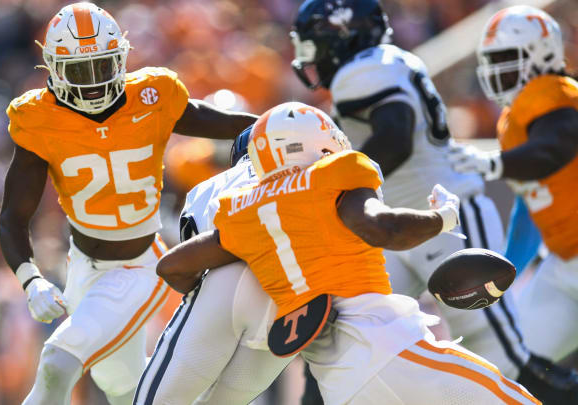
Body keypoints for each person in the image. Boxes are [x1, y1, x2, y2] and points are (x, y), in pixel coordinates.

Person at [156, 101, 539, 404]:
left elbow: (172, 267)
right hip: (392, 347)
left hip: (339, 385)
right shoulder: (335, 173)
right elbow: (383, 227)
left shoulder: (243, 211)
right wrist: (443, 217)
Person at [290, 0, 577, 402]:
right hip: (403, 224)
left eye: (313, 44)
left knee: (505, 363)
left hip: (442, 216)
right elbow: (530, 205)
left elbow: (396, 135)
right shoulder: (506, 116)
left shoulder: (555, 95)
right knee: (348, 338)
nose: (308, 57)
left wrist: (336, 190)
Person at [0, 3, 257, 405]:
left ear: (121, 58)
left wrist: (283, 123)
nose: (95, 85)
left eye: (103, 67)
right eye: (81, 72)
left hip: (140, 264)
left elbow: (219, 122)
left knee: (57, 362)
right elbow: (14, 216)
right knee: (125, 390)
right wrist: (31, 279)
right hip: (82, 266)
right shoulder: (39, 119)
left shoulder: (150, 96)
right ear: (53, 69)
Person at [450, 5, 578, 368]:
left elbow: (555, 148)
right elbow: (531, 208)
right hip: (563, 265)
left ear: (544, 53)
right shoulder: (515, 119)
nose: (498, 68)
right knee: (506, 365)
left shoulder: (556, 93)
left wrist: (494, 163)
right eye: (493, 59)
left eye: (508, 57)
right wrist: (506, 274)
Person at [133, 125, 298, 405]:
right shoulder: (334, 179)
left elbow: (179, 258)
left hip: (223, 291)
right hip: (289, 306)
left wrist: (194, 285)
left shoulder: (214, 182)